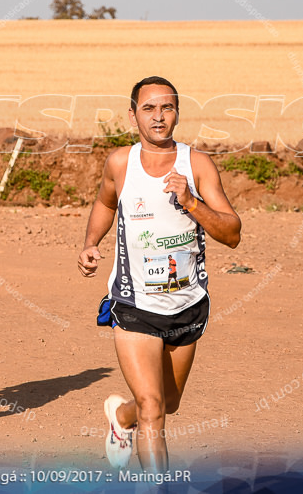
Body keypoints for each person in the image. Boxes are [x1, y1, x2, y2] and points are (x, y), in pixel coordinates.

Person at [77, 76, 241, 471]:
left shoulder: (197, 164)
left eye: (166, 108)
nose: (158, 116)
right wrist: (89, 242)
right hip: (134, 303)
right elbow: (104, 203)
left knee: (168, 403)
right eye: (148, 108)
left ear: (177, 114)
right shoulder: (120, 162)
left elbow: (232, 234)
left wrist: (190, 201)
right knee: (154, 407)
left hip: (187, 304)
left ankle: (121, 418)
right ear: (132, 114)